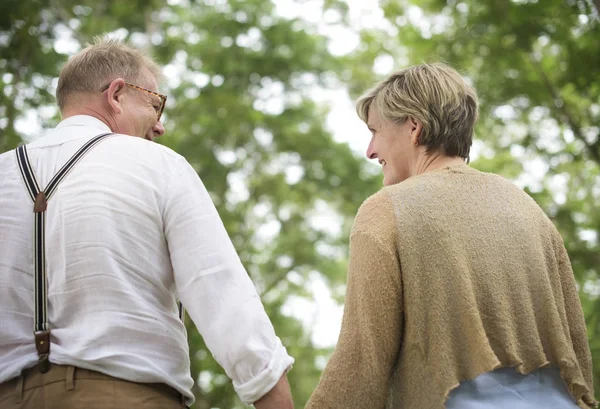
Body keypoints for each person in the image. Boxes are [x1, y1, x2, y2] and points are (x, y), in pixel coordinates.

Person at [0, 38, 294, 409]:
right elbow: (222, 293)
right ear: (117, 94)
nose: (160, 127)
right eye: (155, 105)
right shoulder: (158, 165)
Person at [306, 63, 598, 409]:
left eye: (375, 131)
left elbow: (361, 364)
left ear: (413, 127)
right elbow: (576, 349)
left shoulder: (386, 211)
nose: (370, 150)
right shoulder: (529, 210)